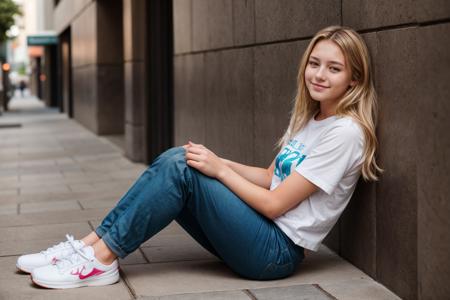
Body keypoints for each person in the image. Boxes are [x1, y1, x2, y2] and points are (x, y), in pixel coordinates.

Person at [16, 25, 381, 289]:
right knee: (184, 158)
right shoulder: (312, 119)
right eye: (314, 63)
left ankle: (102, 260)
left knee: (180, 167)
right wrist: (212, 159)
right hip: (259, 233)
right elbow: (272, 176)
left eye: (334, 68)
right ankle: (86, 248)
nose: (318, 75)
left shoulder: (345, 133)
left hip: (275, 252)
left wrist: (219, 170)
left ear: (353, 79)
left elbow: (274, 204)